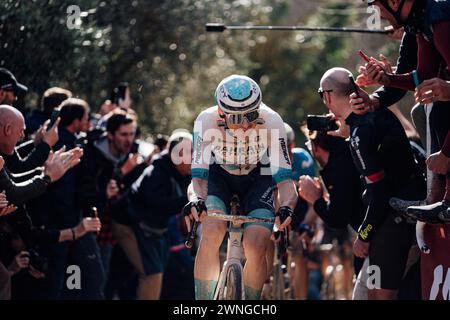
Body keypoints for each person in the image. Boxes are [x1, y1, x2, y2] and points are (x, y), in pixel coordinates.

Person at [184, 75, 298, 300]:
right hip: (220, 175)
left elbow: (285, 182)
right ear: (221, 112)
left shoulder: (272, 121)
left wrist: (286, 206)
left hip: (259, 175)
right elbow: (198, 180)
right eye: (236, 118)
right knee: (212, 231)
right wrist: (196, 199)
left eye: (252, 115)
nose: (245, 125)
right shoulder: (205, 120)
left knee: (256, 245)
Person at [319, 67, 426, 299]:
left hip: (391, 221)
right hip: (407, 209)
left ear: (327, 96)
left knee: (379, 295)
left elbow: (378, 192)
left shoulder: (360, 135)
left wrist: (364, 234)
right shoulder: (378, 113)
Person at [111, 131, 192, 300]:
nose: (196, 158)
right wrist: (188, 200)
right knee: (152, 274)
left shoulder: (181, 172)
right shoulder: (157, 173)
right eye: (191, 153)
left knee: (156, 271)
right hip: (128, 225)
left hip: (148, 227)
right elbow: (157, 207)